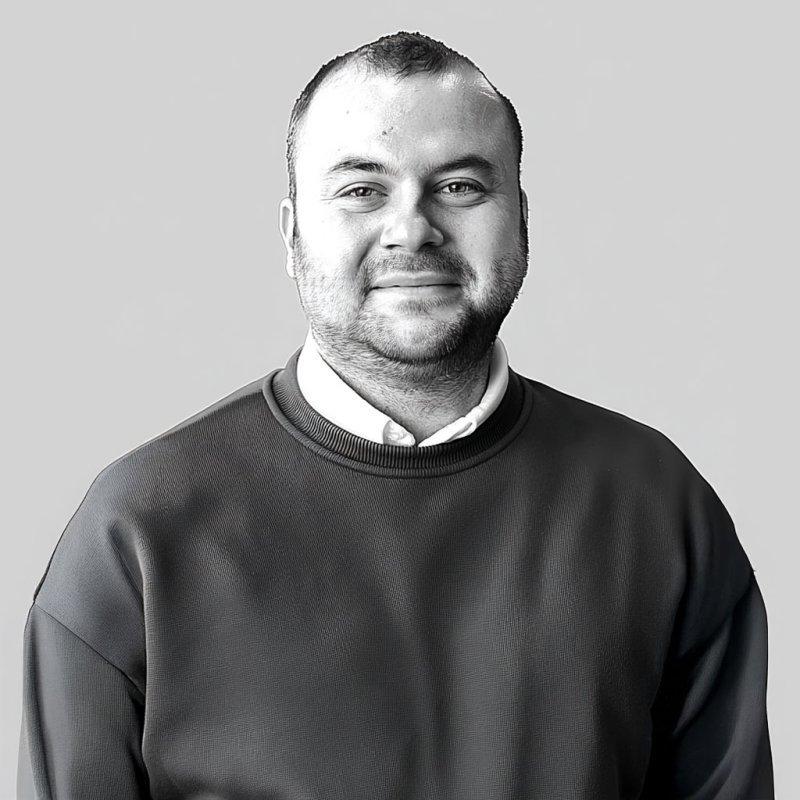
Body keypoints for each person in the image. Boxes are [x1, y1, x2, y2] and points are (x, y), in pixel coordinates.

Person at [18, 31, 773, 799]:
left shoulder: (660, 505)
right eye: (361, 190)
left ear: (521, 220)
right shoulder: (135, 531)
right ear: (291, 233)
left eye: (460, 186)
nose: (412, 228)